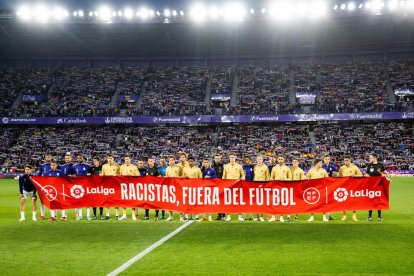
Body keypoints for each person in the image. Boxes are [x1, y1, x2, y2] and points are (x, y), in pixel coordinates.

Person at [334, 156, 363, 221]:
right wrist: (335, 174)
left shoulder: (354, 167)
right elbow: (339, 175)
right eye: (344, 160)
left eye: (347, 160)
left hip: (353, 187)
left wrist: (355, 176)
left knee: (353, 201)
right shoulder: (342, 168)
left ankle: (354, 216)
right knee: (344, 201)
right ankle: (344, 216)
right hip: (344, 187)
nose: (345, 162)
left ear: (350, 160)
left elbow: (361, 175)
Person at [222, 153, 245, 222]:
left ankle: (240, 216)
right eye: (230, 157)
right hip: (228, 186)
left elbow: (243, 175)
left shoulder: (239, 166)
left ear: (235, 158)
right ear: (229, 158)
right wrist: (223, 185)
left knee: (238, 201)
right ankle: (228, 216)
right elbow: (224, 177)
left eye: (233, 157)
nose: (232, 158)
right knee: (228, 201)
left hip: (237, 186)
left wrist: (242, 178)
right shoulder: (225, 166)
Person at [365, 153, 387, 222]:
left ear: (374, 158)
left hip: (378, 186)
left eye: (370, 157)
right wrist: (366, 175)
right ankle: (369, 216)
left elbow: (385, 173)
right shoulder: (369, 165)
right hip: (371, 186)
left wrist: (383, 174)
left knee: (378, 201)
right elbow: (367, 173)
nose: (369, 159)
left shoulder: (380, 165)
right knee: (371, 200)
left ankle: (379, 216)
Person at [269, 155, 292, 222]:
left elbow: (290, 178)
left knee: (282, 202)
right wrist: (273, 180)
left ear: (284, 160)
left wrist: (284, 179)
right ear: (277, 160)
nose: (280, 160)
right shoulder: (274, 168)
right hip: (275, 187)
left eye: (281, 159)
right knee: (274, 201)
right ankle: (273, 216)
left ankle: (281, 216)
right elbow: (271, 178)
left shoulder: (287, 168)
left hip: (284, 187)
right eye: (279, 159)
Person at [120, 154, 140, 220]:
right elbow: (119, 176)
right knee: (123, 201)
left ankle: (133, 215)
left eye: (128, 159)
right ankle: (124, 214)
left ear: (130, 159)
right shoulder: (121, 167)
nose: (127, 160)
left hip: (132, 186)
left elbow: (138, 176)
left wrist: (131, 175)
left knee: (132, 201)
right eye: (125, 159)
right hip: (124, 186)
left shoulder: (134, 167)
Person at [182, 156, 203, 221]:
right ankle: (186, 216)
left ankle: (196, 215)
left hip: (195, 187)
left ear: (194, 162)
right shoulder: (185, 169)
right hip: (187, 187)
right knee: (187, 202)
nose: (191, 162)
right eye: (189, 161)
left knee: (195, 202)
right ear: (188, 162)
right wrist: (184, 177)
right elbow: (182, 177)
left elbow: (201, 178)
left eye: (192, 161)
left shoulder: (198, 169)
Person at [101, 154, 120, 220]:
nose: (109, 159)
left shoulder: (117, 166)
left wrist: (117, 175)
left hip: (115, 186)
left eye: (111, 158)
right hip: (107, 186)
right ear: (107, 159)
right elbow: (102, 175)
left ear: (113, 159)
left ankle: (117, 215)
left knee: (116, 201)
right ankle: (107, 215)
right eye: (108, 158)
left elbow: (120, 175)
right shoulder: (104, 166)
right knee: (107, 200)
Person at [165, 156, 183, 221]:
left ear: (175, 160)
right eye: (170, 160)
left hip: (178, 186)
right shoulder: (167, 168)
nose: (171, 161)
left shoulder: (179, 168)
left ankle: (181, 216)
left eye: (172, 160)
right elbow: (166, 177)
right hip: (170, 187)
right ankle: (170, 216)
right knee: (170, 202)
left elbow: (181, 176)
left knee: (179, 201)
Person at [73, 154, 91, 220]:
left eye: (80, 158)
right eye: (78, 158)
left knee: (87, 202)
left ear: (83, 158)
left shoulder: (87, 166)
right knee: (79, 201)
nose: (79, 159)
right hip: (78, 187)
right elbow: (72, 176)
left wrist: (89, 175)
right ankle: (80, 216)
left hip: (86, 186)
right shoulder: (74, 167)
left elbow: (91, 175)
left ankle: (88, 215)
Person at [253, 155, 270, 221]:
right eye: (258, 159)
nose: (259, 160)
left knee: (262, 202)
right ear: (256, 160)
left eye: (260, 159)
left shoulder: (265, 167)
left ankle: (261, 216)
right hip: (255, 186)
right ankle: (257, 217)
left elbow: (267, 177)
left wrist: (266, 186)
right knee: (256, 202)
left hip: (263, 186)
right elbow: (253, 176)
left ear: (262, 160)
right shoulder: (255, 167)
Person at [36, 153, 53, 220]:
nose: (48, 158)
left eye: (49, 157)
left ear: (51, 158)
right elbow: (38, 175)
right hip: (45, 185)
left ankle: (54, 215)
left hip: (53, 185)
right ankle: (42, 215)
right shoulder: (42, 166)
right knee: (43, 201)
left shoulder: (55, 165)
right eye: (46, 157)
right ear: (45, 158)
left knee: (53, 200)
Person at [322, 155, 338, 220]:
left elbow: (337, 173)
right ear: (323, 160)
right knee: (324, 201)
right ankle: (324, 215)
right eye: (326, 159)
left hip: (331, 186)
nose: (327, 160)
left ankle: (330, 215)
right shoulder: (322, 167)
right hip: (323, 186)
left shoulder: (332, 167)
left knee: (330, 200)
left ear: (329, 160)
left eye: (328, 159)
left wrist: (335, 174)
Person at [60, 154, 75, 221]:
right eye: (66, 158)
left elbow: (76, 175)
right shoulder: (62, 167)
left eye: (68, 158)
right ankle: (64, 216)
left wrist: (72, 176)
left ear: (71, 158)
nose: (67, 159)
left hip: (72, 185)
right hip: (64, 185)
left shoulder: (74, 166)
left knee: (75, 200)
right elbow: (60, 176)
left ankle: (77, 215)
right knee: (64, 200)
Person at [212, 154, 224, 220]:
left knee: (222, 200)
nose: (217, 159)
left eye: (218, 158)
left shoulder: (223, 166)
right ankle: (219, 215)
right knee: (217, 201)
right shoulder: (212, 166)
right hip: (214, 185)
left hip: (222, 185)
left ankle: (223, 215)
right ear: (214, 159)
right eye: (216, 158)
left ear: (220, 159)